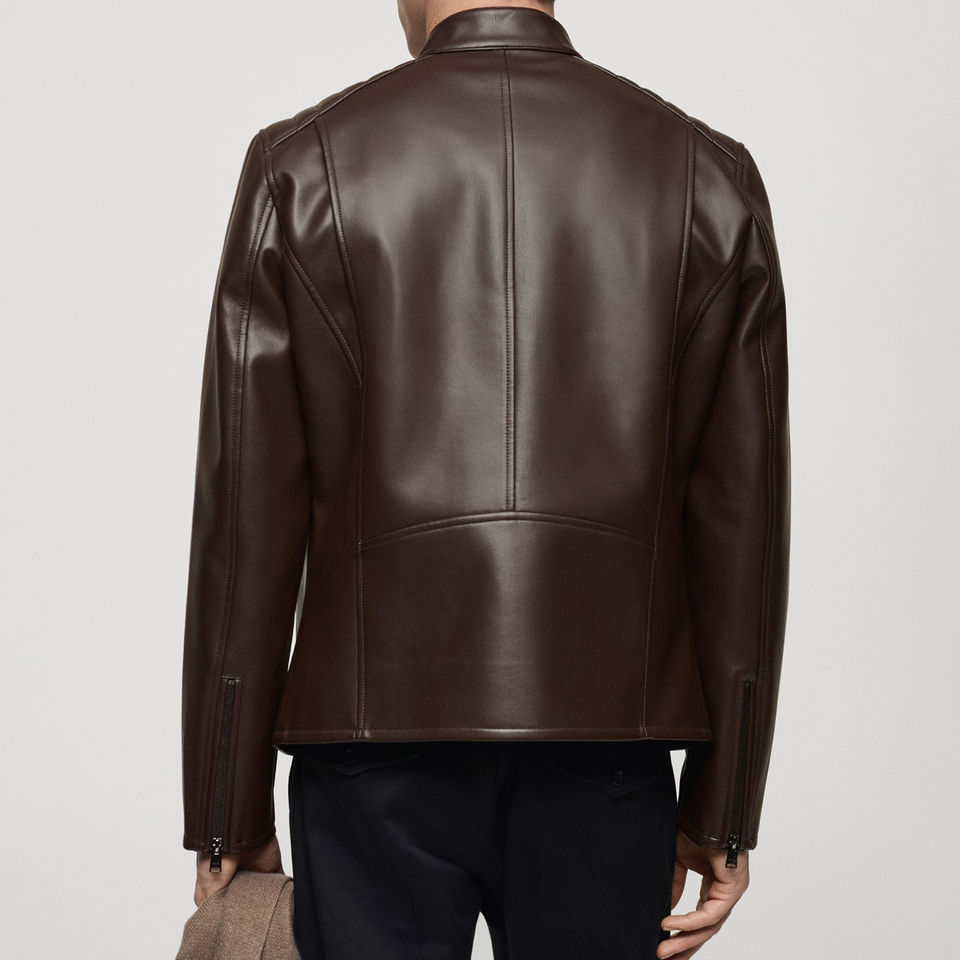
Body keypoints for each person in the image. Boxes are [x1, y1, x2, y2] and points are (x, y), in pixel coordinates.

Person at [180, 1, 791, 957]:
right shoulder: (707, 175)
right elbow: (743, 525)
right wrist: (725, 805)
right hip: (607, 753)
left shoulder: (301, 166)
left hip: (370, 756)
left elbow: (244, 520)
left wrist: (228, 807)